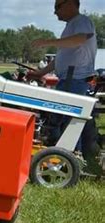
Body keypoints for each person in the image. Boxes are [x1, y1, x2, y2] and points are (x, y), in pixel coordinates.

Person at [28, 0, 99, 170]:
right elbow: (62, 56)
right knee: (60, 121)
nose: (55, 12)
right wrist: (40, 73)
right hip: (68, 79)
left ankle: (72, 162)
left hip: (73, 80)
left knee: (70, 123)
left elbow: (79, 40)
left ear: (70, 4)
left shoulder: (81, 21)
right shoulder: (72, 26)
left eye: (57, 7)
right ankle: (63, 157)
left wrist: (47, 41)